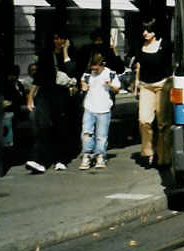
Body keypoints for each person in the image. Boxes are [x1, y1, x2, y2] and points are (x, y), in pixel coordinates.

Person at [25, 28, 77, 173]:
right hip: (46, 94)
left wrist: (66, 52)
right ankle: (39, 160)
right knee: (43, 126)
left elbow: (71, 71)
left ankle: (61, 159)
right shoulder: (45, 54)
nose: (58, 41)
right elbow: (39, 77)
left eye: (61, 38)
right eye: (56, 38)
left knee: (60, 127)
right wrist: (30, 96)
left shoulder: (71, 54)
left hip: (61, 96)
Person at [133, 18, 173, 168]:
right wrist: (136, 85)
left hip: (163, 85)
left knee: (163, 123)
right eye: (144, 30)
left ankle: (164, 156)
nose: (145, 33)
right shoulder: (140, 46)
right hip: (146, 85)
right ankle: (148, 152)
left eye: (148, 30)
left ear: (155, 32)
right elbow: (139, 67)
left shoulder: (165, 45)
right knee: (144, 120)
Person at [78, 52, 121, 170]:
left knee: (101, 135)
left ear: (103, 65)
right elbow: (83, 82)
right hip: (89, 107)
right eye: (93, 69)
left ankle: (100, 155)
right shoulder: (87, 74)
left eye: (97, 69)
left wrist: (110, 85)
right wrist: (83, 86)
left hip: (104, 108)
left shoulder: (111, 74)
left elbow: (117, 88)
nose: (95, 71)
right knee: (86, 132)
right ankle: (87, 154)